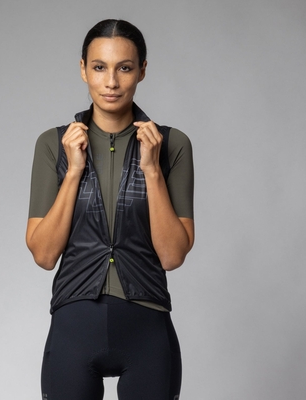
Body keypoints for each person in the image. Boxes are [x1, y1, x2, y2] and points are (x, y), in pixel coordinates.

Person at [26, 19, 194, 400]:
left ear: (142, 70)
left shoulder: (172, 144)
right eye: (100, 67)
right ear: (83, 69)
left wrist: (152, 169)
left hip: (147, 331)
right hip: (73, 328)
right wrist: (73, 171)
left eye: (125, 68)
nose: (112, 82)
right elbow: (44, 254)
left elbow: (172, 256)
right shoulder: (53, 145)